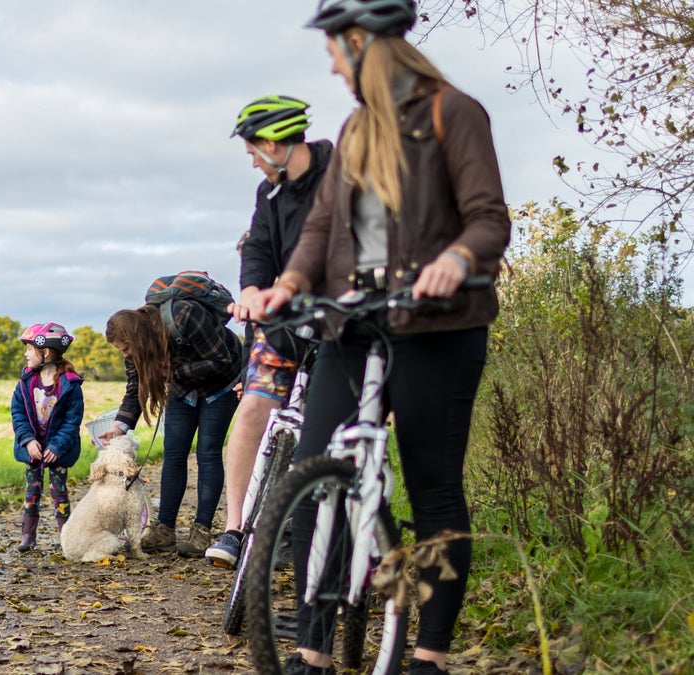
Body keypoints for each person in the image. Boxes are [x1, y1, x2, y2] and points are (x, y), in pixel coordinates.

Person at [251, 1, 512, 672]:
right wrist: (290, 282)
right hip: (353, 323)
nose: (334, 65)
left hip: (435, 327)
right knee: (312, 474)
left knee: (433, 488)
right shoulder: (356, 127)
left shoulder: (453, 113)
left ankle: (427, 652)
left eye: (338, 50)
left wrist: (456, 260)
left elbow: (487, 218)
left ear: (366, 43)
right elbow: (320, 228)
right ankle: (312, 648)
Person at [204, 95, 334, 569]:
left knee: (331, 428)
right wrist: (253, 290)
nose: (252, 160)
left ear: (278, 142)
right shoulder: (269, 193)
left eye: (255, 150)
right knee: (255, 406)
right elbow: (257, 245)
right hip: (283, 324)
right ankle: (235, 527)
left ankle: (326, 528)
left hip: (337, 320)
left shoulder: (337, 174)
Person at [99, 301, 243, 558]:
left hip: (222, 384)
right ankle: (164, 530)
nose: (126, 356)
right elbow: (135, 389)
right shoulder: (137, 353)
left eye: (127, 349)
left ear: (137, 338)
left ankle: (202, 531)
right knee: (174, 451)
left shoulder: (185, 315)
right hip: (182, 386)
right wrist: (118, 427)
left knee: (208, 451)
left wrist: (174, 372)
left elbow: (221, 360)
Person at [10, 322, 85, 552]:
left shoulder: (70, 385)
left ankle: (67, 536)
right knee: (31, 491)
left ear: (46, 352)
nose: (25, 354)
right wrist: (27, 439)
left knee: (59, 492)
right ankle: (28, 535)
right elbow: (18, 413)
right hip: (33, 448)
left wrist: (58, 446)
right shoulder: (25, 383)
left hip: (56, 450)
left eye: (29, 349)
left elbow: (72, 422)